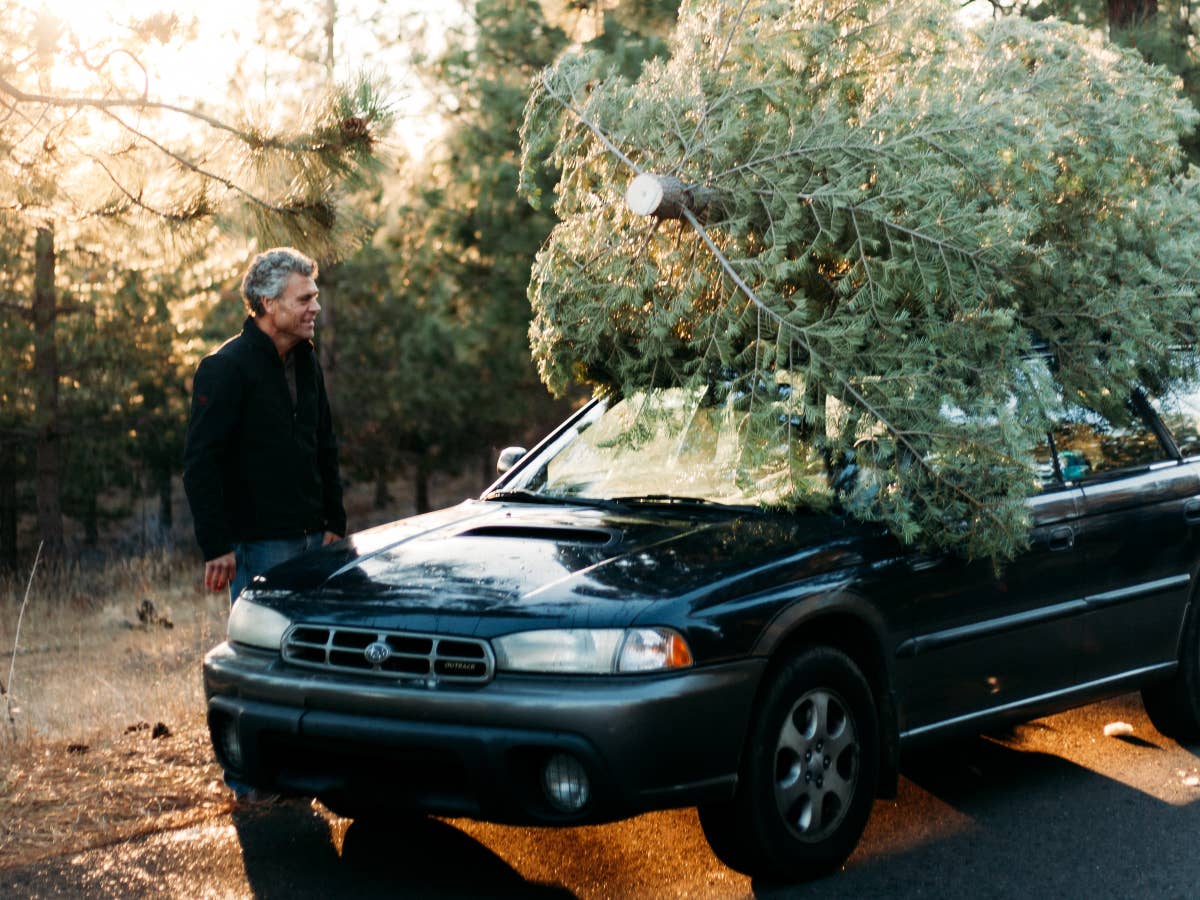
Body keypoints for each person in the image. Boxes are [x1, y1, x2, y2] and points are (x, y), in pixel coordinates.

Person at [183, 247, 346, 603]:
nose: (315, 308)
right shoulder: (225, 368)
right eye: (304, 299)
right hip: (258, 547)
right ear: (269, 303)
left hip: (317, 540)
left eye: (315, 297)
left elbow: (325, 445)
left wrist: (335, 522)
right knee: (265, 649)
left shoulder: (307, 361)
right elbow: (200, 463)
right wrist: (216, 546)